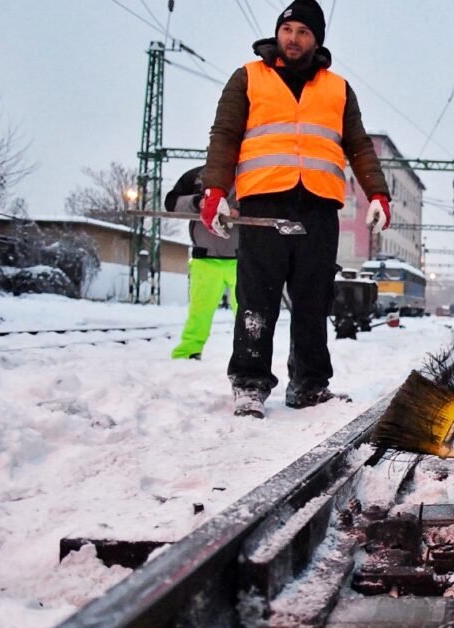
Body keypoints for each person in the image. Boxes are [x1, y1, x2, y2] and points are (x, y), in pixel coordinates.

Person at [199, 0, 393, 418]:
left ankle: (309, 384)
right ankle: (250, 383)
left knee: (313, 297)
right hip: (264, 201)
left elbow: (358, 145)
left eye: (303, 32)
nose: (293, 38)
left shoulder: (338, 88)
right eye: (288, 29)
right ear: (278, 33)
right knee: (258, 295)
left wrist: (378, 194)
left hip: (319, 205)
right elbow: (225, 134)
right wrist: (215, 190)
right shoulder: (248, 78)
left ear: (316, 40)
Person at [167, 165, 238, 360]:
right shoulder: (196, 176)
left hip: (242, 258)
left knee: (247, 314)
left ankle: (249, 356)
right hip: (205, 257)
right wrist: (198, 203)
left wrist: (240, 211)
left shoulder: (251, 173)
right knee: (199, 311)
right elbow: (171, 202)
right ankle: (189, 351)